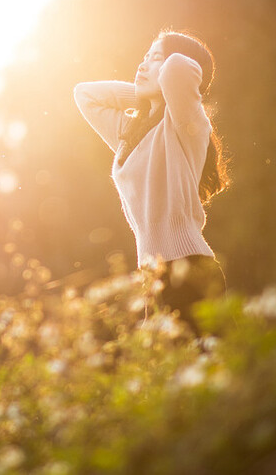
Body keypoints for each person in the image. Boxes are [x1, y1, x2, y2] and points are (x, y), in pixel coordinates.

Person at [74, 30, 230, 329]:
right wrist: (144, 93)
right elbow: (85, 95)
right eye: (143, 58)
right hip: (152, 278)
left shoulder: (186, 123)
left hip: (191, 268)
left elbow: (178, 69)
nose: (142, 66)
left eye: (154, 58)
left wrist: (155, 86)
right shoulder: (129, 131)